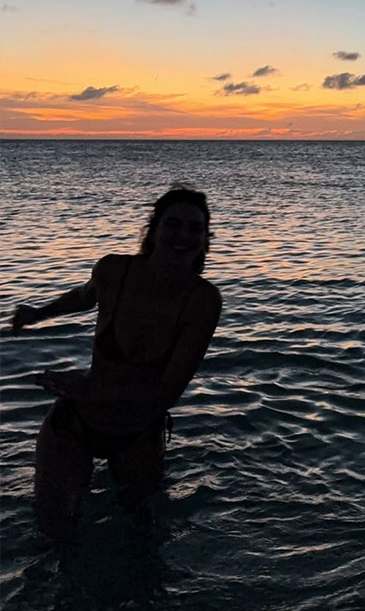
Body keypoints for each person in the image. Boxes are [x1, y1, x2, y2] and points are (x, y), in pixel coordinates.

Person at [11, 185, 222, 540]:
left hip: (138, 435)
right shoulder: (114, 270)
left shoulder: (202, 301)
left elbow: (168, 393)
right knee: (52, 534)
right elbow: (85, 295)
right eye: (172, 224)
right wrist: (38, 313)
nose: (183, 235)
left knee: (142, 541)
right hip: (75, 425)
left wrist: (90, 388)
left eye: (194, 229)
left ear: (205, 240)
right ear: (153, 230)